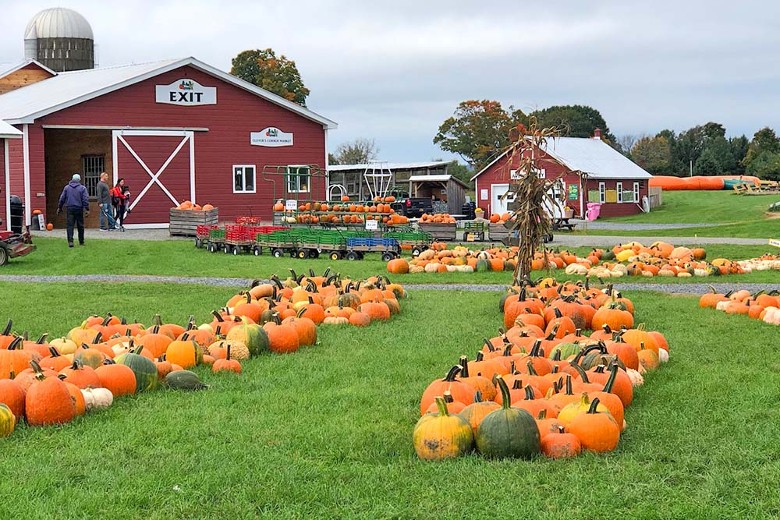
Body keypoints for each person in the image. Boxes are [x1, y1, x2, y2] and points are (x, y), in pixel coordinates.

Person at [57, 173, 90, 247]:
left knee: (70, 225)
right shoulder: (82, 188)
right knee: (80, 225)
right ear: (79, 180)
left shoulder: (67, 188)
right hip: (79, 208)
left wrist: (60, 207)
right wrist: (87, 209)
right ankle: (81, 242)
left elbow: (62, 198)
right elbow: (85, 199)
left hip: (70, 208)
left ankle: (70, 242)